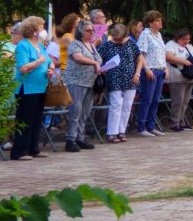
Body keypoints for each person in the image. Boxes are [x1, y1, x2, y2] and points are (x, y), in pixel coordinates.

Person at [11, 16, 55, 160]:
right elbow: (23, 67)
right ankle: (19, 151)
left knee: (36, 119)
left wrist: (50, 69)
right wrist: (38, 62)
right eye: (41, 27)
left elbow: (49, 62)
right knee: (25, 120)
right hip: (27, 88)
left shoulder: (41, 46)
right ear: (33, 30)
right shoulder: (23, 45)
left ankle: (33, 149)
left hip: (40, 87)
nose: (43, 30)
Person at [98, 24, 143, 142]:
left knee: (127, 106)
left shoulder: (131, 44)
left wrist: (137, 74)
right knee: (115, 105)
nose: (117, 40)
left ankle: (122, 131)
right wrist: (102, 68)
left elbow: (139, 59)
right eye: (115, 37)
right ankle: (112, 132)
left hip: (131, 78)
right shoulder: (107, 45)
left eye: (119, 38)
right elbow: (98, 59)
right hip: (114, 78)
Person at [64, 20, 101, 151]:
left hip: (90, 83)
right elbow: (78, 57)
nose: (91, 32)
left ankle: (80, 137)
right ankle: (70, 139)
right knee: (75, 111)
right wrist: (94, 63)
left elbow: (97, 61)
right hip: (76, 82)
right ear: (81, 31)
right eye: (88, 30)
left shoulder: (91, 45)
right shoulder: (75, 44)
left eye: (92, 30)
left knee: (85, 112)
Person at [136, 10, 168, 136]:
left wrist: (165, 67)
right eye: (157, 21)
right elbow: (141, 54)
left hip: (160, 69)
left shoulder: (159, 35)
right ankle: (141, 127)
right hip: (151, 70)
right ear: (150, 23)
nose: (160, 22)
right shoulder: (145, 34)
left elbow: (161, 53)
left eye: (160, 20)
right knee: (147, 99)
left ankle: (151, 125)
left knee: (155, 100)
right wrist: (147, 69)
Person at [165, 28, 193, 131]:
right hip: (177, 78)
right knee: (178, 101)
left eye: (188, 39)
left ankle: (182, 121)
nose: (187, 41)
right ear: (178, 38)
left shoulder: (189, 46)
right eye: (184, 39)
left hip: (189, 78)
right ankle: (174, 123)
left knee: (185, 102)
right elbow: (168, 57)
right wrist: (183, 61)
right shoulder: (171, 44)